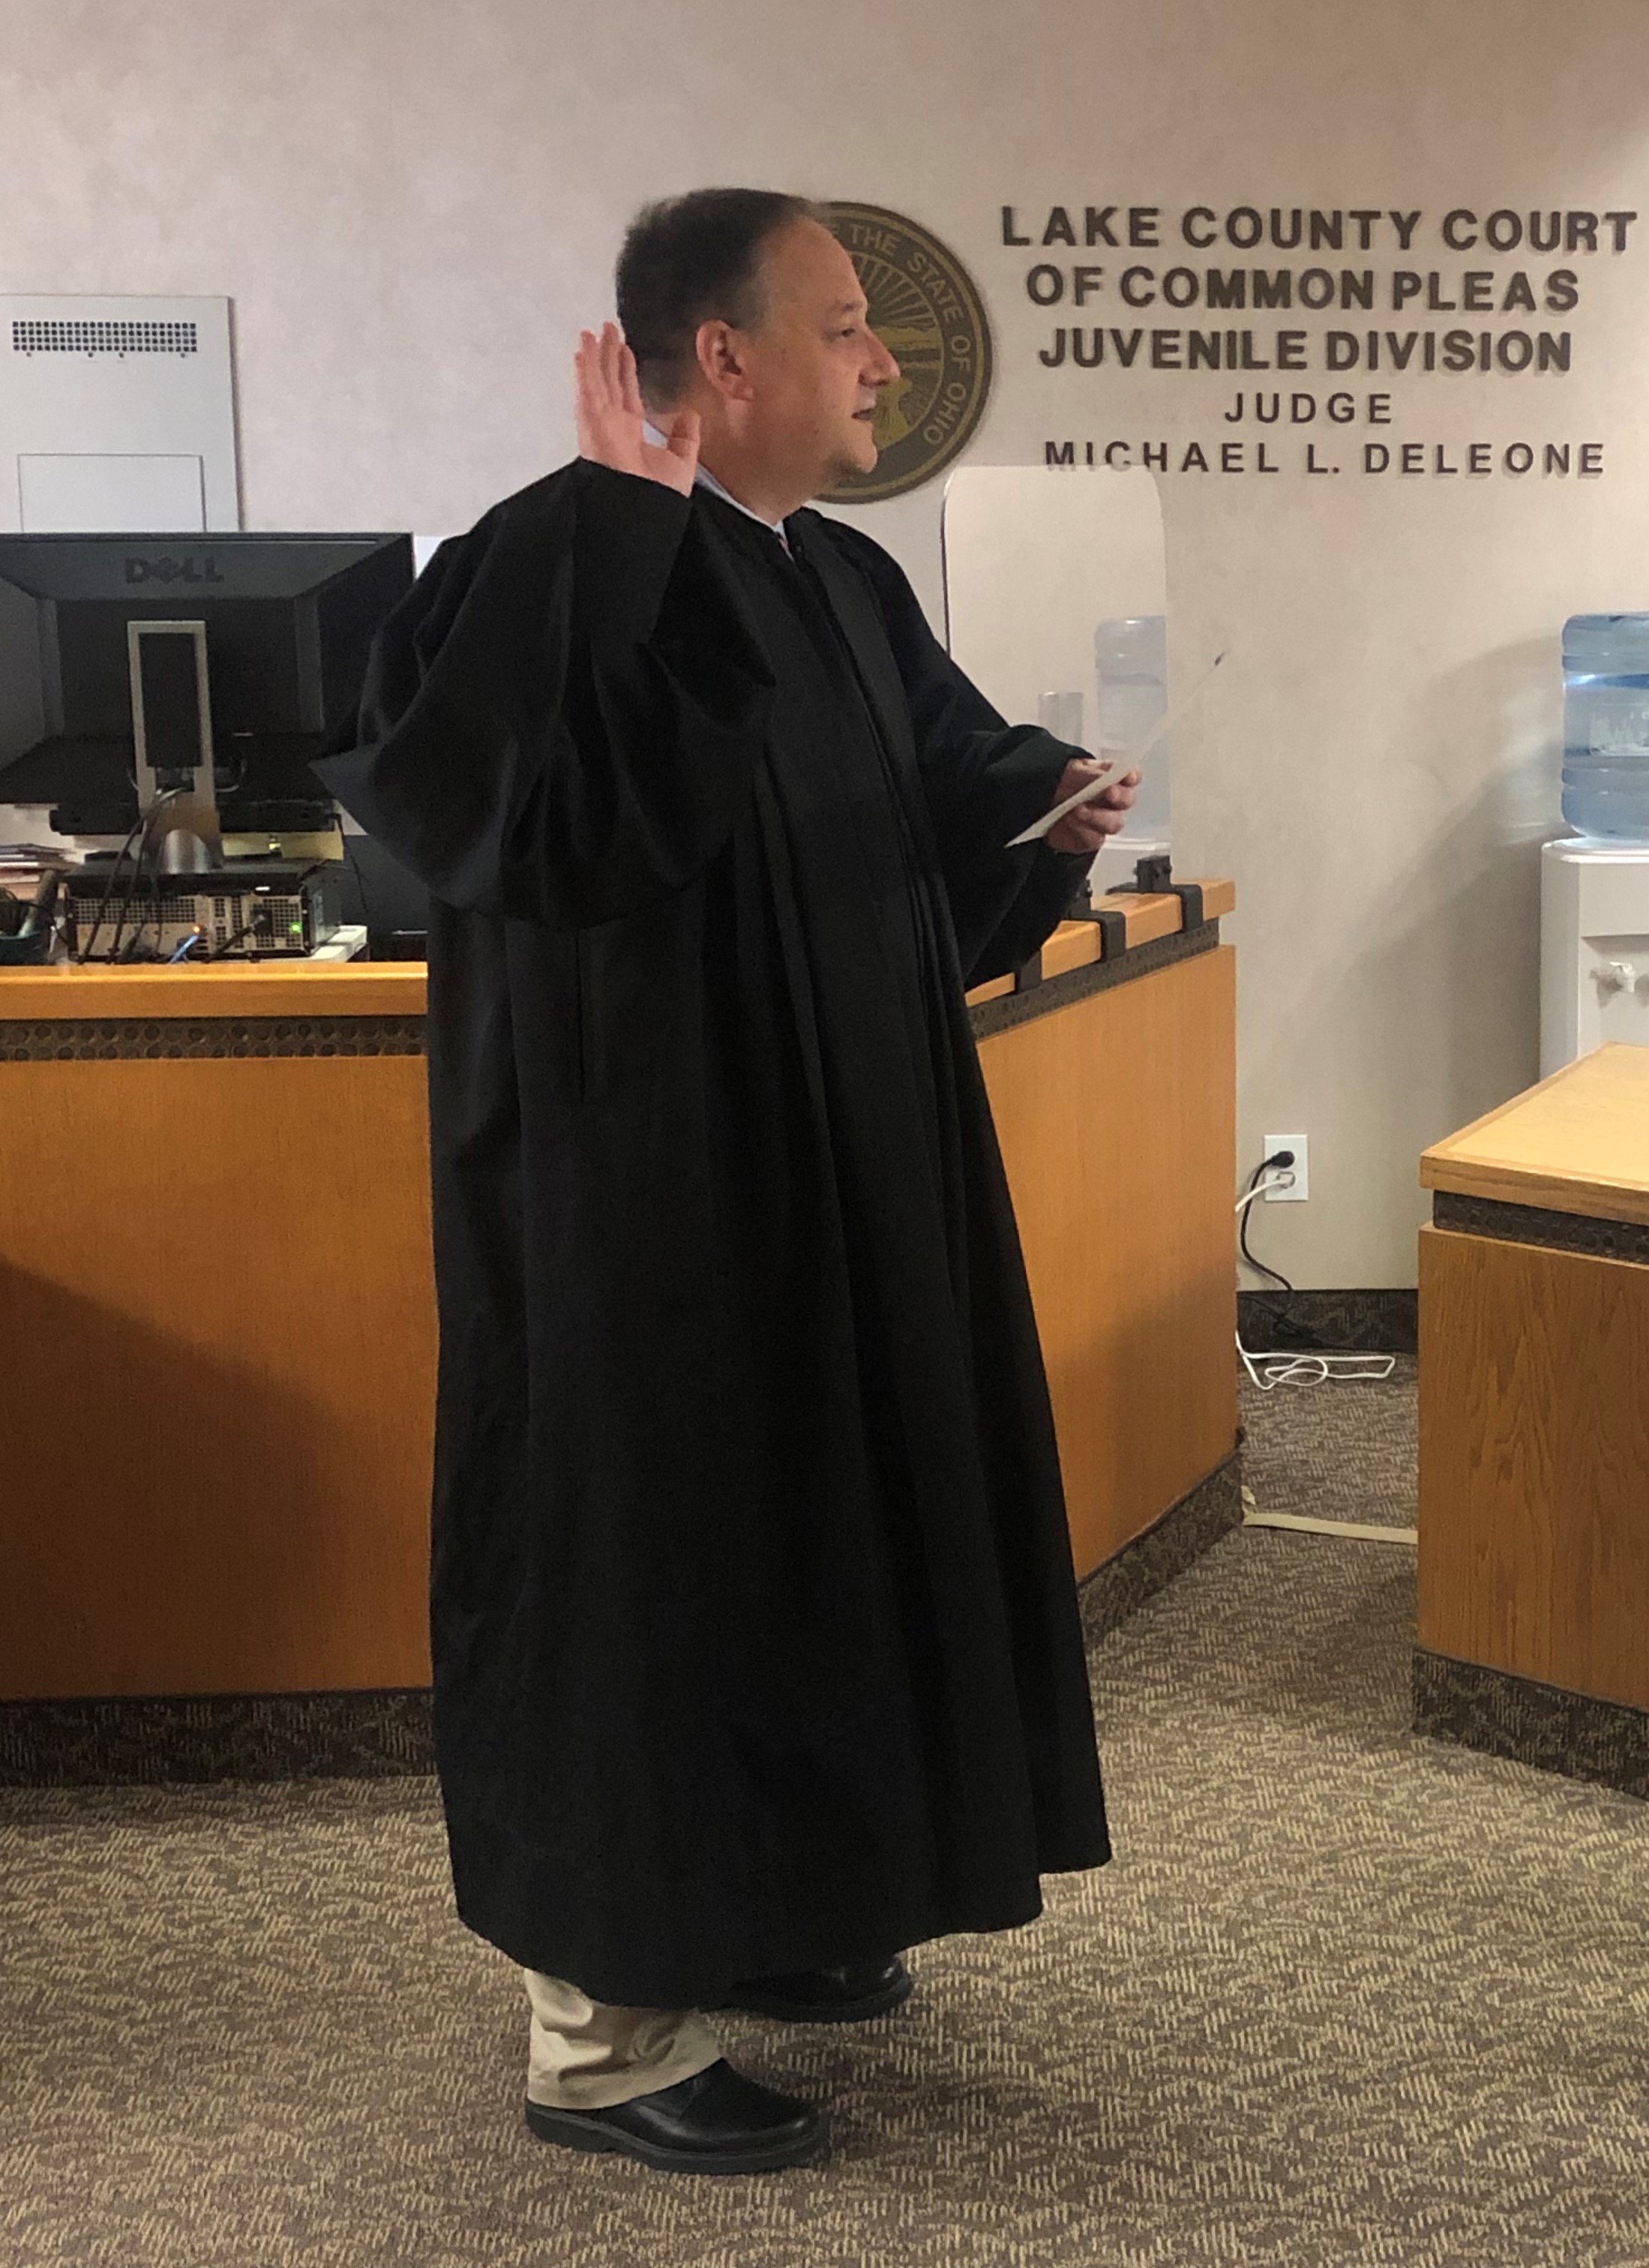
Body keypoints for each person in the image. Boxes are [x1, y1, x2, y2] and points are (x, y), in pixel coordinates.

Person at [319, 188, 1137, 2176]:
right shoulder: (547, 551)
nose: (885, 363)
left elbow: (924, 778)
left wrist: (1037, 796)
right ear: (726, 360)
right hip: (644, 1203)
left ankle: (787, 1906)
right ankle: (597, 2044)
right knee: (649, 1557)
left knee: (824, 1535)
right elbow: (495, 817)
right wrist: (618, 537)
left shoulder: (837, 579)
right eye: (850, 326)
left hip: (841, 1176)